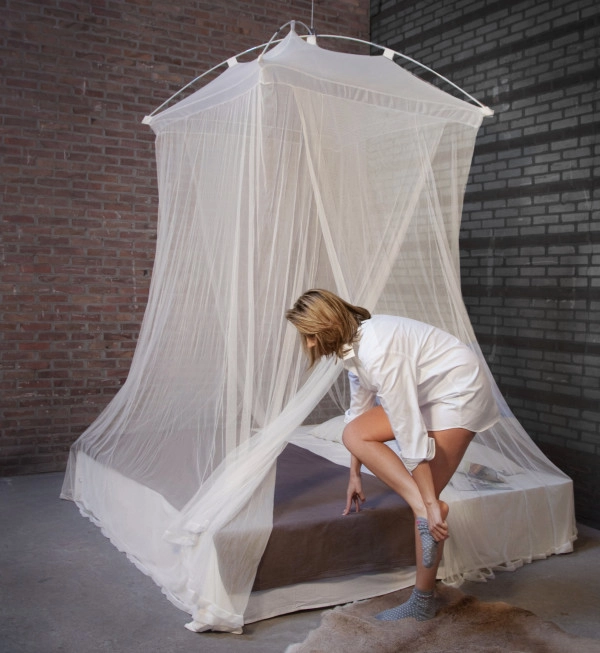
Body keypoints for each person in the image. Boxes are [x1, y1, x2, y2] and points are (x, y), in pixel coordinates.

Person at [286, 289, 499, 621]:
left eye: (311, 334)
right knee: (353, 432)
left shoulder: (378, 349)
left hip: (459, 392)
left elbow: (407, 426)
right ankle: (425, 510)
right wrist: (354, 474)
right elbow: (358, 415)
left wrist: (427, 501)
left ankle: (421, 602)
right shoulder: (353, 347)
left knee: (428, 502)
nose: (310, 344)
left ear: (328, 324)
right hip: (428, 391)